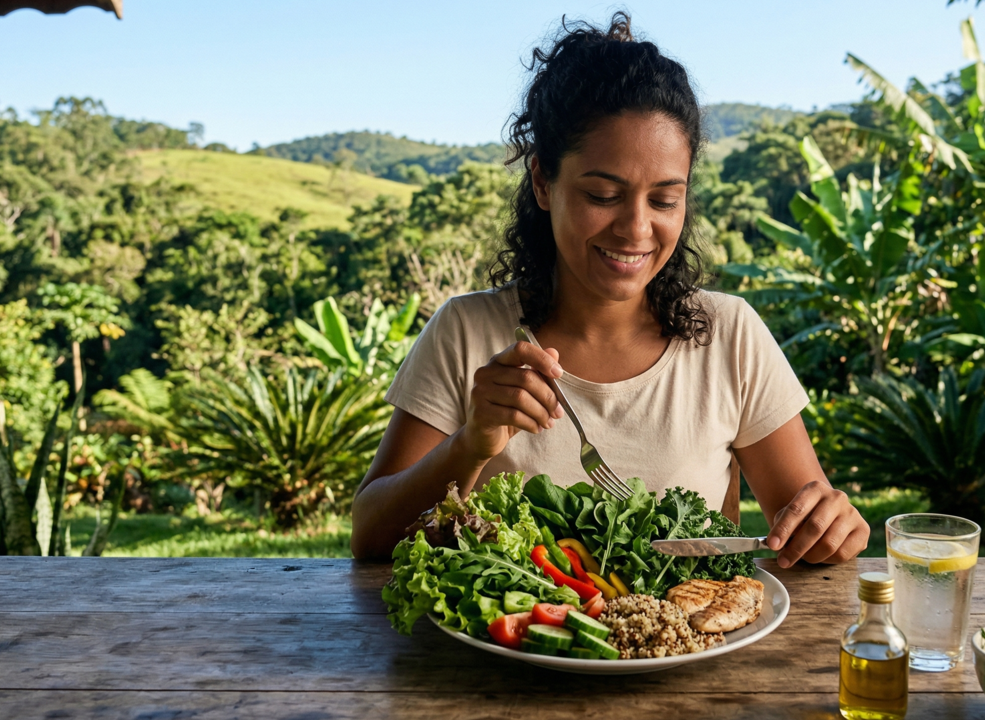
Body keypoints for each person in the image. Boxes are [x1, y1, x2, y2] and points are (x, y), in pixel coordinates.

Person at [351, 13, 868, 566]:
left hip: (688, 645)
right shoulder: (466, 332)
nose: (637, 229)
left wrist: (831, 528)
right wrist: (469, 446)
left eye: (665, 200)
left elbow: (809, 527)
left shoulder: (729, 336)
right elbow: (371, 537)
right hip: (506, 651)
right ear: (543, 181)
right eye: (603, 195)